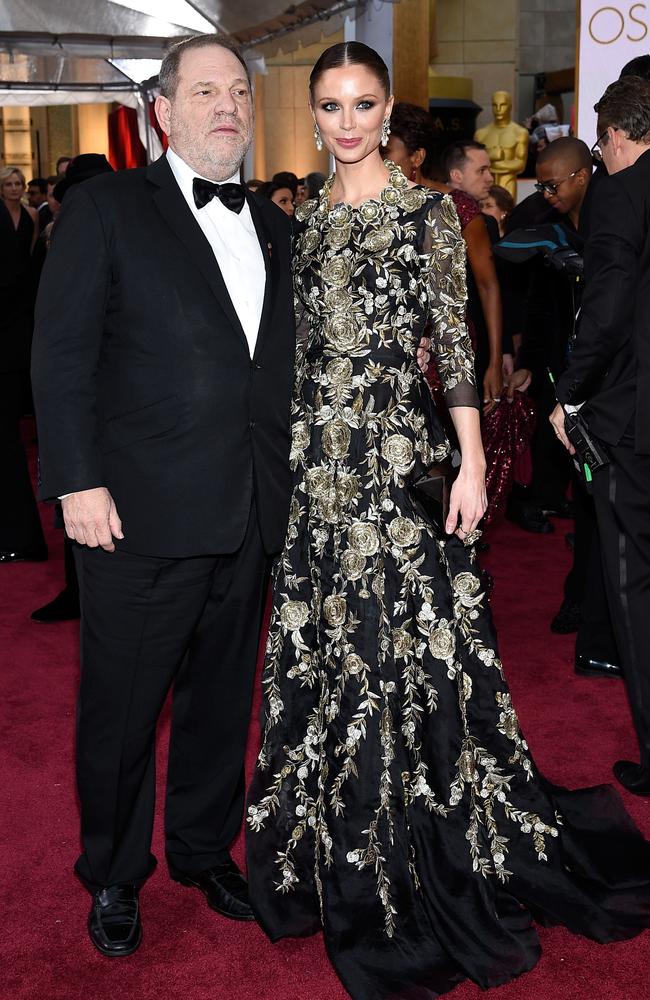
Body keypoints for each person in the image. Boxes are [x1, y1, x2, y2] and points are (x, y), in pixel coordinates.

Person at [246, 41, 650, 1000]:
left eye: (365, 104)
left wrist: (471, 459)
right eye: (333, 106)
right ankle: (326, 833)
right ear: (315, 116)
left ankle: (417, 835)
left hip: (395, 460)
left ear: (390, 115)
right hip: (318, 471)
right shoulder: (304, 225)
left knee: (408, 642)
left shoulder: (427, 212)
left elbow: (452, 344)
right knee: (327, 642)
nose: (348, 122)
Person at [31, 34, 296, 957]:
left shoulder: (273, 224)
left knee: (224, 699)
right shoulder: (106, 209)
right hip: (136, 515)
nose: (228, 106)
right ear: (164, 111)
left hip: (252, 511)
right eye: (207, 91)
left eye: (240, 92)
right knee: (124, 707)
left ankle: (198, 848)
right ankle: (112, 870)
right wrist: (75, 479)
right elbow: (60, 357)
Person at [551, 75, 650, 795]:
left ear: (614, 138)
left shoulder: (620, 191)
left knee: (634, 585)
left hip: (632, 422)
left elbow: (608, 306)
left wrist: (568, 393)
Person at [0, 166, 47, 564]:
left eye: (19, 183)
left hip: (17, 327)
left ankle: (17, 536)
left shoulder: (32, 218)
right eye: (9, 184)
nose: (15, 189)